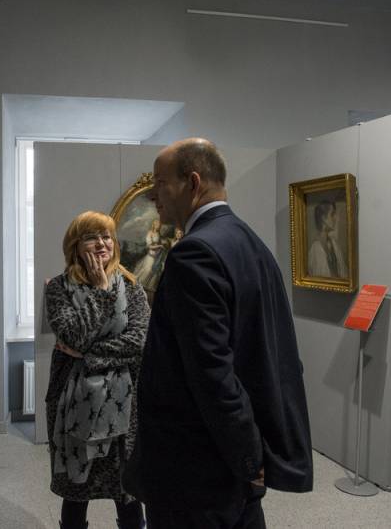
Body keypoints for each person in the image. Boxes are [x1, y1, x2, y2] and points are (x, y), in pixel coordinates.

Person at [123, 138, 313, 528]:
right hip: (229, 471)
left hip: (196, 473)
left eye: (160, 182)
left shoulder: (195, 253)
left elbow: (213, 376)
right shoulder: (251, 242)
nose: (153, 194)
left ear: (193, 183)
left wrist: (248, 459)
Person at [45, 211, 149, 529]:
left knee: (127, 490)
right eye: (91, 237)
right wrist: (102, 292)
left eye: (106, 237)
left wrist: (88, 355)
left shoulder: (131, 286)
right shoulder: (59, 289)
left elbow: (138, 342)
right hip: (73, 407)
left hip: (124, 406)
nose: (101, 243)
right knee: (76, 491)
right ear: (75, 246)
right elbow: (72, 335)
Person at [307, 200, 347, 278]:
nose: (335, 218)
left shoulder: (334, 245)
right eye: (332, 214)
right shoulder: (315, 250)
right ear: (323, 219)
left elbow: (344, 273)